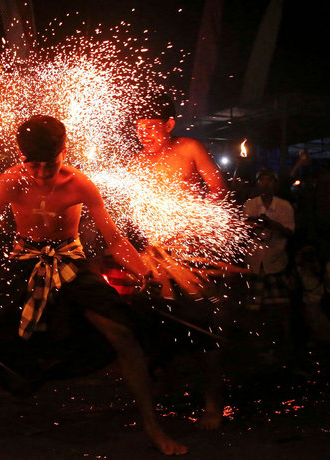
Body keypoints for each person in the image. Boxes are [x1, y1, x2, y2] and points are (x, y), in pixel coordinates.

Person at [0, 115, 188, 456]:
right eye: (34, 165)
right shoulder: (8, 183)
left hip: (70, 264)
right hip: (24, 264)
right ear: (19, 153)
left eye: (50, 164)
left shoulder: (80, 184)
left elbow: (113, 238)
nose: (42, 173)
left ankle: (153, 428)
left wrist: (144, 271)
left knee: (123, 332)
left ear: (65, 151)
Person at [105, 94, 229, 430]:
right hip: (154, 255)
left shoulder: (188, 148)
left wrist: (195, 218)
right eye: (139, 127)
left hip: (190, 252)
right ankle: (166, 384)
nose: (144, 132)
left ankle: (213, 401)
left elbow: (217, 186)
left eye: (151, 126)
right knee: (156, 323)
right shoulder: (135, 165)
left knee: (204, 323)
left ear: (169, 125)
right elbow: (132, 215)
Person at [243, 169, 295, 351]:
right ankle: (256, 346)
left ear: (275, 184)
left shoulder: (284, 206)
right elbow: (242, 231)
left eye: (269, 180)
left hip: (276, 262)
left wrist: (273, 225)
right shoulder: (250, 204)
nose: (265, 184)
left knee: (280, 308)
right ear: (257, 183)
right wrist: (254, 224)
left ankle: (284, 344)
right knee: (254, 309)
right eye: (262, 180)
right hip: (255, 262)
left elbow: (290, 232)